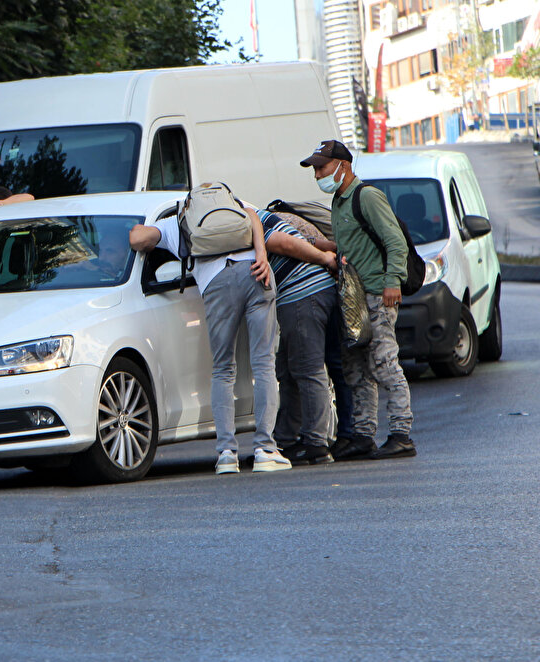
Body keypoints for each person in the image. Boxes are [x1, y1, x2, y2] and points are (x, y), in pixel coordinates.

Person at [129, 189, 289, 474]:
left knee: (223, 369)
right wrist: (262, 255)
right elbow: (254, 217)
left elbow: (138, 239)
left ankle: (226, 454)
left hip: (217, 282)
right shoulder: (235, 204)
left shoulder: (178, 220)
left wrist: (137, 228)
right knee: (263, 363)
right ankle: (265, 450)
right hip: (256, 271)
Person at [301, 139, 415, 460]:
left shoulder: (367, 196)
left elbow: (395, 242)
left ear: (343, 166)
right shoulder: (339, 201)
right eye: (315, 169)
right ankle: (363, 436)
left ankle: (401, 434)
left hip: (378, 294)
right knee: (356, 368)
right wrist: (322, 246)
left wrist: (392, 283)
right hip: (354, 300)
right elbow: (351, 246)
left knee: (384, 362)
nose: (317, 175)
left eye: (321, 168)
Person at [257, 207, 340, 466]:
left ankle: (316, 443)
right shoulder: (261, 215)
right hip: (313, 291)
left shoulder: (249, 220)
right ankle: (286, 439)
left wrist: (325, 258)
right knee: (288, 369)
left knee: (308, 369)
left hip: (302, 294)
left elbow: (285, 244)